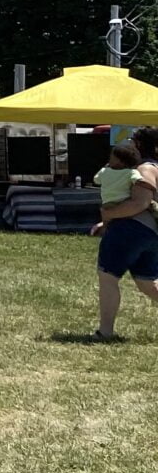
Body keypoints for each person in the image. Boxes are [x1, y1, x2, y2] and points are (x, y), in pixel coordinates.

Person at [91, 127, 158, 341]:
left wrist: (108, 214)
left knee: (108, 277)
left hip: (131, 229)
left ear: (139, 144)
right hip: (150, 232)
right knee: (148, 284)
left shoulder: (144, 169)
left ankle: (105, 331)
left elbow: (140, 202)